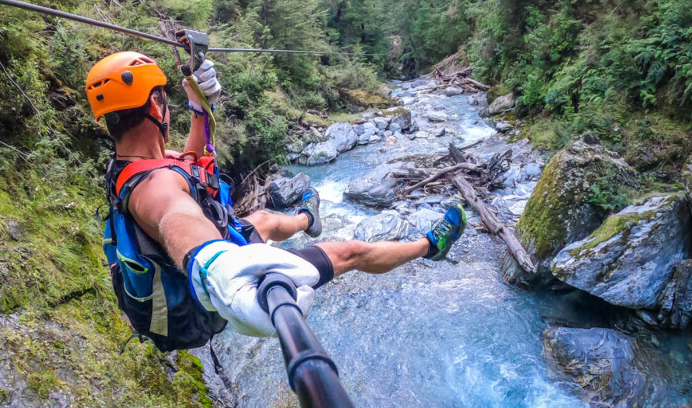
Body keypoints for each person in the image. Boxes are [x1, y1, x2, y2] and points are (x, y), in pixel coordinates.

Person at [87, 51, 466, 347]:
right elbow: (176, 218)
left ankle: (306, 219)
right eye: (165, 100)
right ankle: (429, 247)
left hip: (193, 269)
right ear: (156, 106)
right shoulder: (155, 190)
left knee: (265, 220)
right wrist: (217, 265)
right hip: (203, 300)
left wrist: (201, 107)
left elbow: (191, 162)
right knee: (351, 251)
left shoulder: (133, 165)